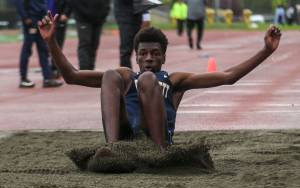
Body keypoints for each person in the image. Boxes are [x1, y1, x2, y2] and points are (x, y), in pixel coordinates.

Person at [38, 12, 281, 150]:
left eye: (155, 53)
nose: (149, 58)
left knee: (146, 80)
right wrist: (50, 41)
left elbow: (229, 77)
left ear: (164, 56)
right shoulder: (127, 75)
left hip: (158, 136)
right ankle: (113, 148)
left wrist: (266, 51)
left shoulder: (175, 80)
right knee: (112, 74)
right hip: (128, 136)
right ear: (136, 56)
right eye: (143, 54)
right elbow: (71, 76)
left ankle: (160, 151)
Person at [14, 0, 63, 88]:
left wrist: (45, 16)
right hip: (30, 20)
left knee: (43, 49)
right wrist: (25, 18)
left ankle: (48, 78)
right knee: (27, 49)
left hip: (40, 19)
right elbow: (19, 2)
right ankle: (23, 78)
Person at [67, 0, 110, 70]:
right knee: (85, 44)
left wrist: (105, 12)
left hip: (99, 18)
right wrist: (81, 12)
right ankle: (84, 71)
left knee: (94, 45)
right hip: (83, 19)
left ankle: (91, 70)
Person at [113, 0, 152, 68]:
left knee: (144, 46)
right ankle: (126, 75)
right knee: (126, 49)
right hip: (125, 17)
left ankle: (145, 73)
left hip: (138, 15)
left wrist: (146, 15)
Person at [47, 0, 72, 78]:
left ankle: (55, 68)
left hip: (59, 19)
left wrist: (66, 14)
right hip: (45, 19)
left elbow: (69, 3)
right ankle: (47, 69)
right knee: (44, 46)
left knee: (57, 44)